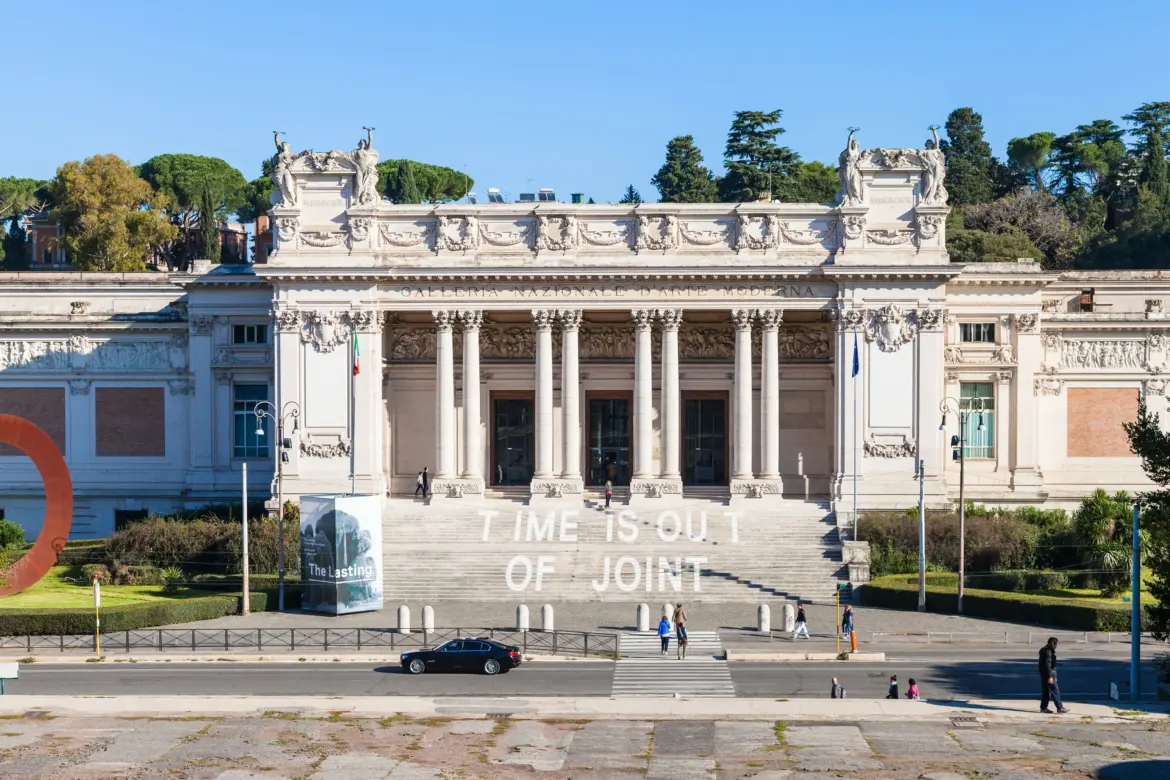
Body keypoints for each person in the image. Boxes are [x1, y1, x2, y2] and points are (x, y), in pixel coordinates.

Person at [1039, 636, 1067, 714]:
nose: (1056, 646)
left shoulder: (1043, 650)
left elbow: (1042, 664)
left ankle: (1043, 708)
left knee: (1046, 692)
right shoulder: (1049, 652)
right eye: (1056, 644)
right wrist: (1050, 676)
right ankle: (1059, 708)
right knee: (1055, 691)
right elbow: (1048, 665)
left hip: (1044, 674)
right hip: (1049, 675)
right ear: (1052, 643)